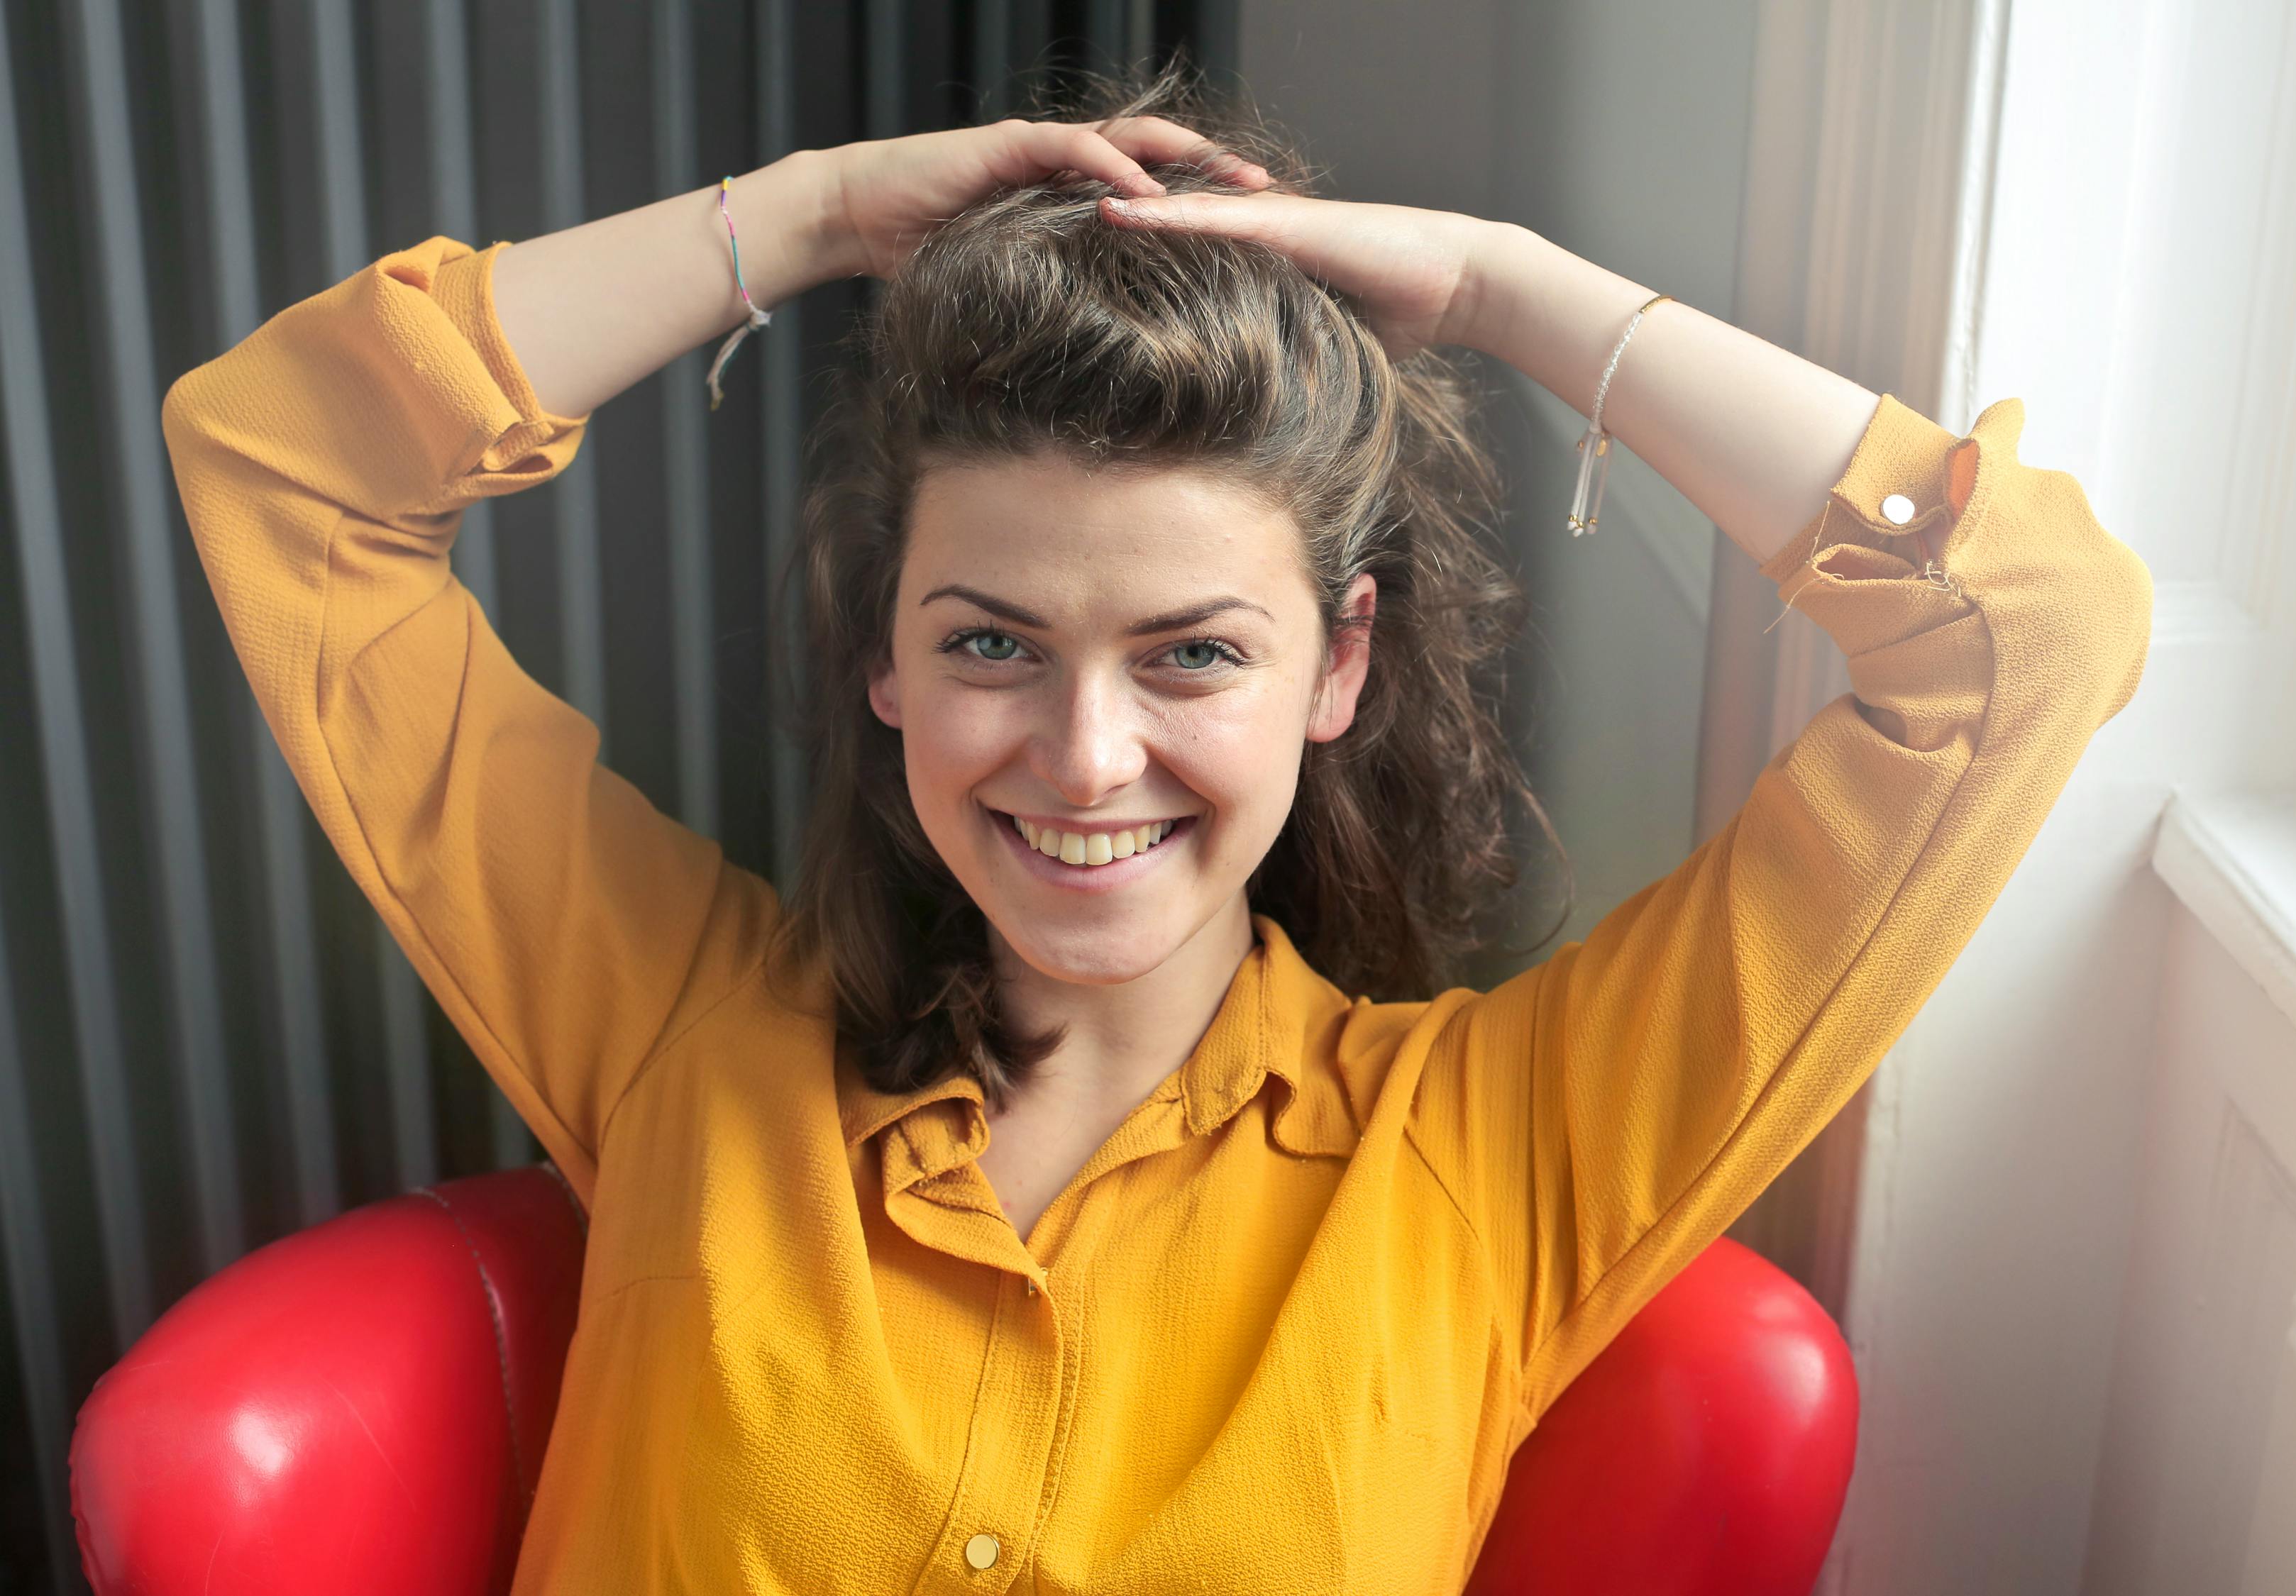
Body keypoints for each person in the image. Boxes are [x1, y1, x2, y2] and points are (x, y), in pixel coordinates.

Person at [163, 67, 2150, 1596]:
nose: (1085, 755)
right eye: (991, 643)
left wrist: (1494, 286)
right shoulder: (679, 1024)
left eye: (1194, 650)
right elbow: (285, 456)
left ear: (1336, 662)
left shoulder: (1498, 1152)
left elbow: (2027, 631)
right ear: (885, 653)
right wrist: (809, 216)